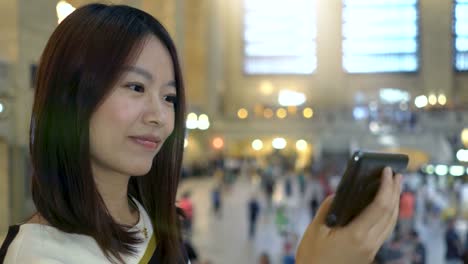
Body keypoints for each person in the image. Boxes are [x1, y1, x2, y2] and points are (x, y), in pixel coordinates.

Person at [0, 3, 402, 264]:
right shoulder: (41, 255)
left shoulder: (146, 221)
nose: (160, 116)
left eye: (170, 96)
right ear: (72, 95)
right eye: (136, 87)